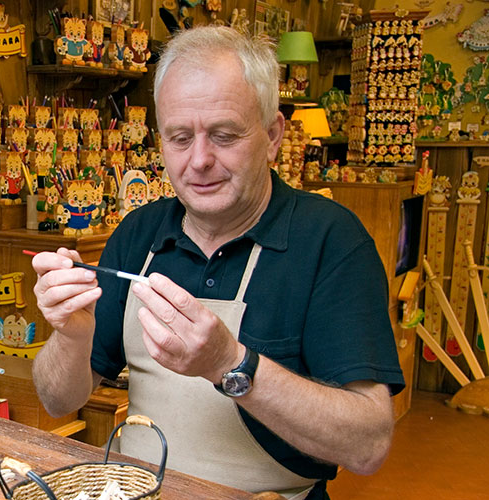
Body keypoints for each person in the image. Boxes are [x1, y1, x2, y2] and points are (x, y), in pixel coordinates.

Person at [29, 26, 404, 500]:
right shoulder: (139, 234)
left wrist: (232, 364)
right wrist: (72, 335)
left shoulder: (329, 241)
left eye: (224, 135)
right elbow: (58, 400)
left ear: (272, 136)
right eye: (179, 138)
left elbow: (368, 445)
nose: (199, 160)